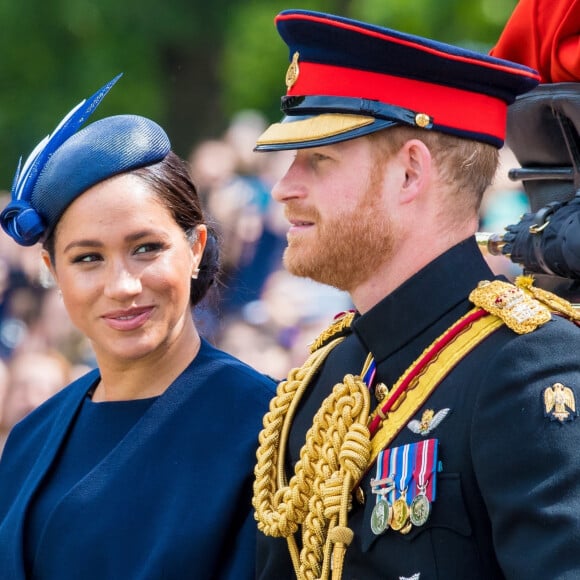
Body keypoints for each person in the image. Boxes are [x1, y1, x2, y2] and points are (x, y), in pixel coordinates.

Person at [250, 9, 580, 580]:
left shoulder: (528, 367)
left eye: (318, 159)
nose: (284, 187)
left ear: (410, 173)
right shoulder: (328, 376)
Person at [0, 75, 276, 579]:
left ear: (194, 248)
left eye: (146, 248)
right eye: (87, 258)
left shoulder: (266, 429)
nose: (123, 285)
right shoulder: (28, 440)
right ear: (51, 270)